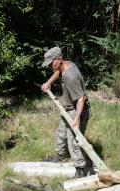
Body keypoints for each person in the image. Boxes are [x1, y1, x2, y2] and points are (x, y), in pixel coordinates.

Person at [41, 46, 93, 177]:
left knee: (74, 140)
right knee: (61, 133)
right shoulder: (66, 65)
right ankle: (59, 156)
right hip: (68, 108)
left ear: (59, 59)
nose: (49, 66)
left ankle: (81, 169)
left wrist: (76, 118)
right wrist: (48, 83)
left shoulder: (71, 76)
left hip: (78, 110)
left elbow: (80, 98)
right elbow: (58, 72)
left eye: (51, 63)